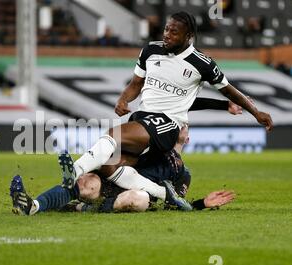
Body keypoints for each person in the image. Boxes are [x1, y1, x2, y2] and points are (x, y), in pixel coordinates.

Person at [62, 11, 272, 209]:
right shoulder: (150, 51)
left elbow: (229, 91)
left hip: (167, 124)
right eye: (166, 30)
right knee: (109, 165)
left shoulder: (202, 64)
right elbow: (136, 84)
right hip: (141, 118)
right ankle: (161, 193)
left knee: (112, 135)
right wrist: (123, 99)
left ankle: (75, 170)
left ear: (188, 36)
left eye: (174, 32)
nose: (167, 35)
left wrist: (256, 112)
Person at [11, 117, 235, 215]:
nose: (182, 125)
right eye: (179, 123)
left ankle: (83, 207)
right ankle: (34, 206)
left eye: (186, 125)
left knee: (139, 199)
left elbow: (174, 201)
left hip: (138, 194)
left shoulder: (183, 173)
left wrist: (202, 203)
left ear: (188, 139)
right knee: (87, 184)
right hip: (116, 177)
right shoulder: (153, 142)